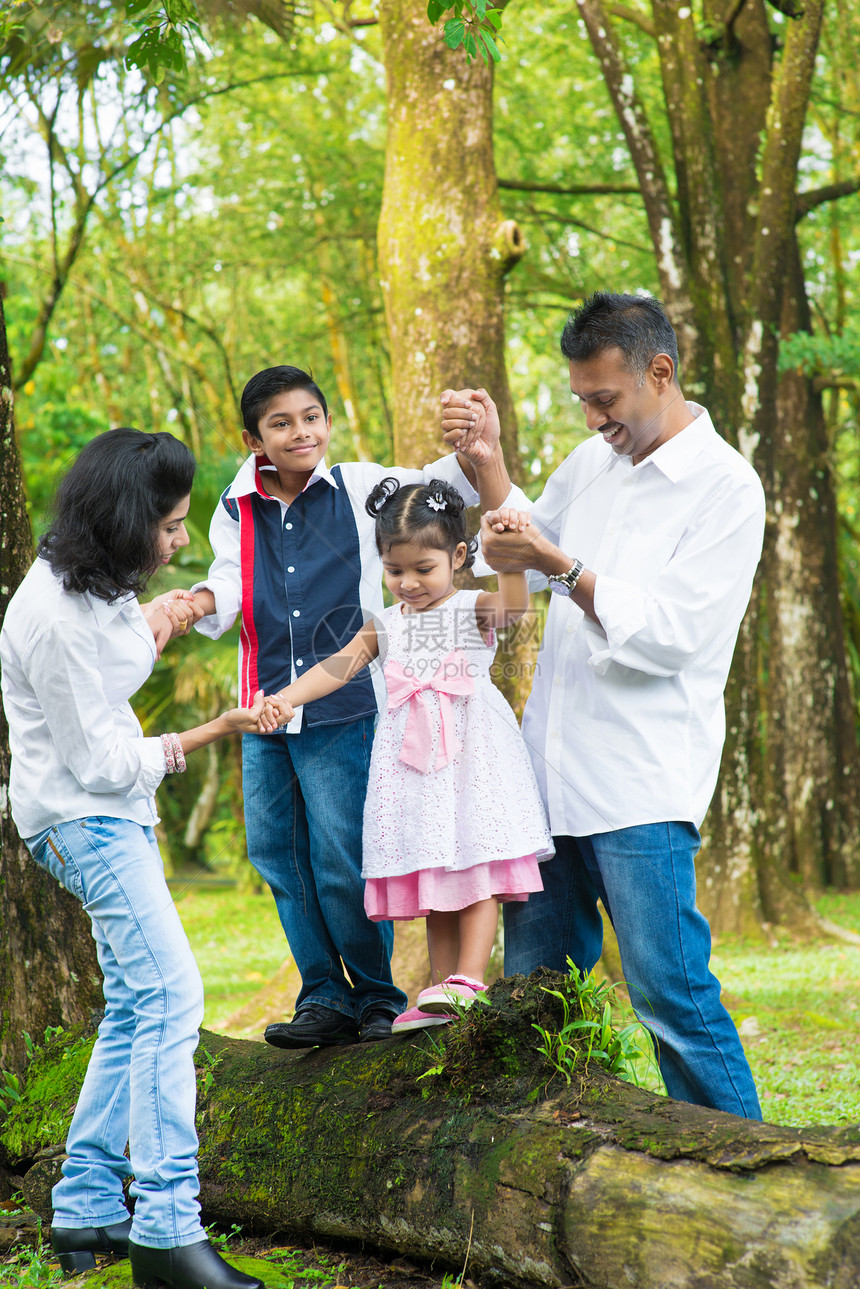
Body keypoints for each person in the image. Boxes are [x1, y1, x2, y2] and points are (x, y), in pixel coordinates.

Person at [441, 291, 766, 1119]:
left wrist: (560, 562)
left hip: (640, 783)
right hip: (546, 777)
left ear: (660, 372)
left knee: (671, 996)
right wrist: (487, 463)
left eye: (605, 399)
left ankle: (747, 1171)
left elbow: (674, 634)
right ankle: (533, 1161)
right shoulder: (593, 464)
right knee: (535, 993)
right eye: (582, 399)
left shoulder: (725, 488)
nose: (591, 418)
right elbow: (519, 541)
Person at [183, 365, 526, 1048]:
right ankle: (323, 994)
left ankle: (376, 996)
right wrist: (191, 602)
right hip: (266, 703)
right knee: (278, 853)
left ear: (327, 421)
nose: (300, 432)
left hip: (348, 710)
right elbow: (228, 580)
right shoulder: (235, 504)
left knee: (342, 856)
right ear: (253, 437)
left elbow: (449, 490)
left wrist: (475, 442)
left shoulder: (368, 489)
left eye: (311, 416)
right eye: (281, 422)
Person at [0, 428, 267, 1289]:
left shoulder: (95, 581)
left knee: (135, 1004)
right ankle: (166, 1230)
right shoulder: (51, 620)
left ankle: (83, 1206)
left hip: (106, 813)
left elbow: (114, 665)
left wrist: (175, 609)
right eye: (170, 526)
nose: (179, 539)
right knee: (173, 995)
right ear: (123, 523)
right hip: (86, 818)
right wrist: (203, 734)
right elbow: (103, 762)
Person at [262, 478, 553, 1033]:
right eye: (396, 571)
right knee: (435, 870)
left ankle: (470, 977)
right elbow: (337, 666)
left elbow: (516, 606)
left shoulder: (472, 607)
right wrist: (284, 699)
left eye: (424, 568)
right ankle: (441, 987)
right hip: (412, 767)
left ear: (458, 557)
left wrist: (510, 557)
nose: (409, 583)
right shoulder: (386, 623)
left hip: (471, 758)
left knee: (474, 860)